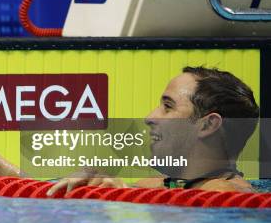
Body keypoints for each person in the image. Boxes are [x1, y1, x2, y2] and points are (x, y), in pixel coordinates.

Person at [47, 66, 259, 194]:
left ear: (208, 125)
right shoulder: (154, 185)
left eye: (168, 107)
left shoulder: (229, 194)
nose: (150, 117)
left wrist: (121, 194)